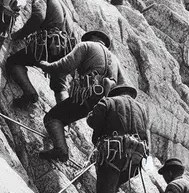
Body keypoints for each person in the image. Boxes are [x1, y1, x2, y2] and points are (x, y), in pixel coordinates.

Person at [35, 29, 126, 161]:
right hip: (106, 103)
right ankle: (59, 138)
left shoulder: (86, 46)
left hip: (88, 95)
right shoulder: (115, 60)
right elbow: (122, 87)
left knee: (52, 118)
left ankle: (61, 150)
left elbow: (64, 65)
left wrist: (46, 66)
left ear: (89, 38)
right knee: (65, 115)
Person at [86, 84, 149, 193]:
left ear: (116, 93)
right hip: (135, 160)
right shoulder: (142, 110)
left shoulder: (108, 102)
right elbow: (146, 137)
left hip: (113, 154)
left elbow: (93, 121)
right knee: (112, 189)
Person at [4, 0, 78, 108]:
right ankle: (63, 116)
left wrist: (18, 35)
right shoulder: (61, 4)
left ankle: (30, 93)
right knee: (59, 85)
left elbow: (37, 17)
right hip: (66, 49)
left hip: (49, 44)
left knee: (13, 62)